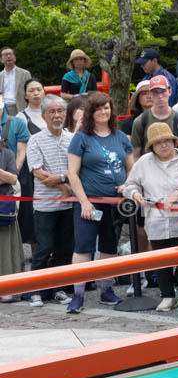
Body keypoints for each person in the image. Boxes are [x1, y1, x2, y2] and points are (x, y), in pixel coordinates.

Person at [64, 93, 134, 313]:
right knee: (83, 248)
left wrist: (127, 185)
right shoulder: (81, 138)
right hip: (89, 203)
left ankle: (106, 290)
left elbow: (132, 168)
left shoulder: (121, 137)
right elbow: (72, 173)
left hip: (114, 203)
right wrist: (84, 202)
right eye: (98, 109)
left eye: (106, 108)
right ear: (91, 112)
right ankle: (78, 294)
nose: (103, 112)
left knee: (109, 247)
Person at [121, 123, 178, 312]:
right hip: (155, 219)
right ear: (152, 146)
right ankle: (167, 295)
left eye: (167, 140)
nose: (164, 145)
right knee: (161, 260)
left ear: (173, 141)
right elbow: (129, 185)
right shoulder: (144, 162)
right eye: (158, 143)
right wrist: (135, 194)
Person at [23, 96, 74, 307]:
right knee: (44, 248)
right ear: (44, 116)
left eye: (60, 111)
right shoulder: (35, 140)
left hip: (68, 205)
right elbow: (38, 172)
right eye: (52, 111)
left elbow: (76, 169)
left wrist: (61, 178)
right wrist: (64, 184)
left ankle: (58, 289)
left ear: (66, 114)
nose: (57, 115)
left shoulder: (72, 139)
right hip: (45, 205)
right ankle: (35, 290)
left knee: (64, 248)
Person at [130, 76, 178, 153]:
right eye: (155, 92)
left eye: (163, 91)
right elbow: (135, 154)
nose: (160, 96)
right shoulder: (140, 122)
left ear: (170, 91)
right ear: (150, 94)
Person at [0, 131, 20, 301]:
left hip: (3, 209)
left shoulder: (7, 154)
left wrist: (5, 176)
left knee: (5, 249)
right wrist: (4, 175)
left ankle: (6, 287)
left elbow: (13, 179)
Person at [0, 48, 31, 116]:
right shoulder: (0, 76)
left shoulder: (25, 73)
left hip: (20, 107)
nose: (8, 56)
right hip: (3, 109)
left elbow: (30, 91)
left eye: (10, 54)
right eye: (5, 54)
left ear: (15, 58)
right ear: (1, 59)